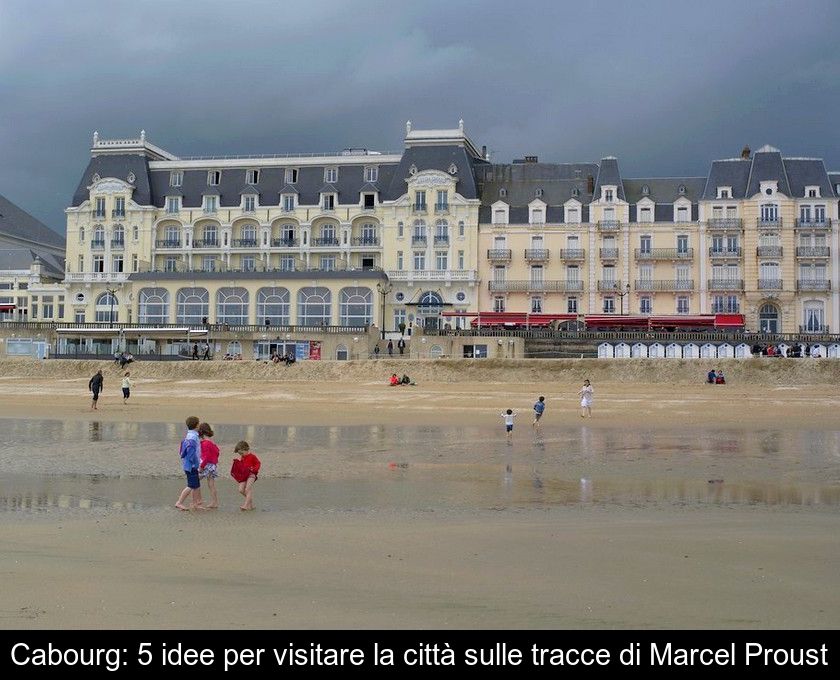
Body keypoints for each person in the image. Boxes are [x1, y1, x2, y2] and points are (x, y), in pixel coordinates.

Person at [175, 416, 204, 511]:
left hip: (190, 464)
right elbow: (191, 453)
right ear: (196, 425)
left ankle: (195, 504)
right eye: (198, 423)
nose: (199, 425)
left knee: (196, 485)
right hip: (191, 465)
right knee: (191, 485)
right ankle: (179, 502)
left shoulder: (190, 435)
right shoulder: (192, 437)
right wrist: (196, 464)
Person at [197, 422, 220, 509]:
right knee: (211, 484)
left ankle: (196, 501)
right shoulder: (212, 442)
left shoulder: (205, 443)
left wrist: (201, 466)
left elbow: (205, 457)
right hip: (213, 465)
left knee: (194, 481)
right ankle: (215, 502)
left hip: (206, 465)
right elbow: (217, 452)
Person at [233, 440, 260, 511]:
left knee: (248, 489)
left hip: (252, 474)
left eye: (241, 453)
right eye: (239, 454)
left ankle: (246, 505)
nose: (241, 455)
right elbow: (242, 466)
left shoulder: (252, 456)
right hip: (244, 475)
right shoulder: (242, 457)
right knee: (241, 490)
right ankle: (250, 504)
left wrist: (254, 469)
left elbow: (258, 463)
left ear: (246, 449)